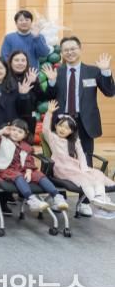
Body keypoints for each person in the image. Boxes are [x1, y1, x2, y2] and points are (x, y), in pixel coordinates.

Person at [45, 36, 114, 166]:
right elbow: (49, 97)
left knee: (86, 158)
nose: (69, 52)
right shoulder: (56, 72)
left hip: (85, 121)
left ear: (80, 49)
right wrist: (52, 82)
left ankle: (86, 176)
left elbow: (109, 92)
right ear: (62, 53)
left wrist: (105, 71)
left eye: (73, 49)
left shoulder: (93, 71)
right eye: (66, 50)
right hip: (62, 121)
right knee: (62, 158)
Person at [44, 100, 115, 216]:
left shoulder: (74, 141)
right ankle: (96, 202)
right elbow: (45, 129)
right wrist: (49, 113)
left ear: (71, 131)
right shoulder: (53, 138)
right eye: (61, 126)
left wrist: (84, 168)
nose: (63, 129)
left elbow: (81, 154)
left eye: (67, 128)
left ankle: (102, 200)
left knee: (96, 175)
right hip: (61, 167)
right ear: (56, 126)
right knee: (84, 180)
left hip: (74, 166)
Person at [0, 119, 69, 213]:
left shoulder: (26, 147)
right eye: (13, 130)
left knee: (38, 175)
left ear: (25, 135)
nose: (16, 133)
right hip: (7, 170)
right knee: (18, 175)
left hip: (23, 170)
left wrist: (29, 171)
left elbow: (29, 160)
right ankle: (31, 200)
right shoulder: (2, 141)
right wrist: (2, 131)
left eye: (20, 132)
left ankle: (57, 197)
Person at [7, 50, 48, 141]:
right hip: (12, 120)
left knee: (27, 146)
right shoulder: (5, 77)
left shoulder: (31, 76)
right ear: (10, 62)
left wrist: (35, 83)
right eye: (16, 60)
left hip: (29, 120)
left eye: (23, 60)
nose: (20, 63)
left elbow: (41, 98)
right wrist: (22, 94)